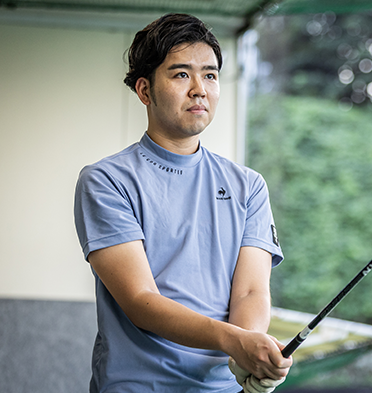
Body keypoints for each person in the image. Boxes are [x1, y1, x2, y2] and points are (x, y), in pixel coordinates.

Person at [74, 13, 292, 392]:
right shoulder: (106, 181)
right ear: (144, 91)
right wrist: (234, 341)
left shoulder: (248, 186)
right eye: (180, 75)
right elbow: (141, 301)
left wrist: (250, 352)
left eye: (210, 75)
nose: (199, 89)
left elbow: (251, 292)